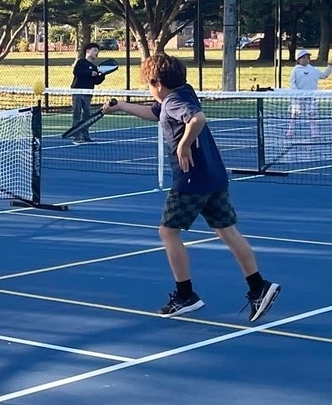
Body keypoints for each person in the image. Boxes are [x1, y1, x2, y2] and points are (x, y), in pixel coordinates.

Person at [103, 54, 280, 321]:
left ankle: (185, 295)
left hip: (191, 179)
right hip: (213, 176)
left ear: (158, 84)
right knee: (227, 231)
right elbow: (156, 112)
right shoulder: (182, 93)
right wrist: (122, 106)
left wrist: (183, 145)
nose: (150, 91)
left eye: (149, 85)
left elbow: (197, 119)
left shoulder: (174, 101)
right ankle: (258, 286)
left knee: (168, 232)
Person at [287, 49, 332, 139]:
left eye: (307, 57)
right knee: (294, 115)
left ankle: (314, 133)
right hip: (298, 98)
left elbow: (324, 75)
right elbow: (292, 83)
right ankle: (290, 131)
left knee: (312, 115)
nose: (306, 59)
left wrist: (330, 67)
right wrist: (298, 94)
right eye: (303, 58)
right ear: (298, 59)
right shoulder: (295, 70)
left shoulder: (313, 70)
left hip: (311, 97)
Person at [69, 42, 109, 142]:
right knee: (77, 112)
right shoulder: (81, 62)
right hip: (78, 91)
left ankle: (85, 135)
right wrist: (90, 73)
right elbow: (77, 72)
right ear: (88, 51)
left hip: (88, 93)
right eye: (95, 50)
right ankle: (76, 135)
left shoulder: (95, 67)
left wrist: (103, 74)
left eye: (97, 51)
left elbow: (97, 81)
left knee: (86, 114)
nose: (97, 53)